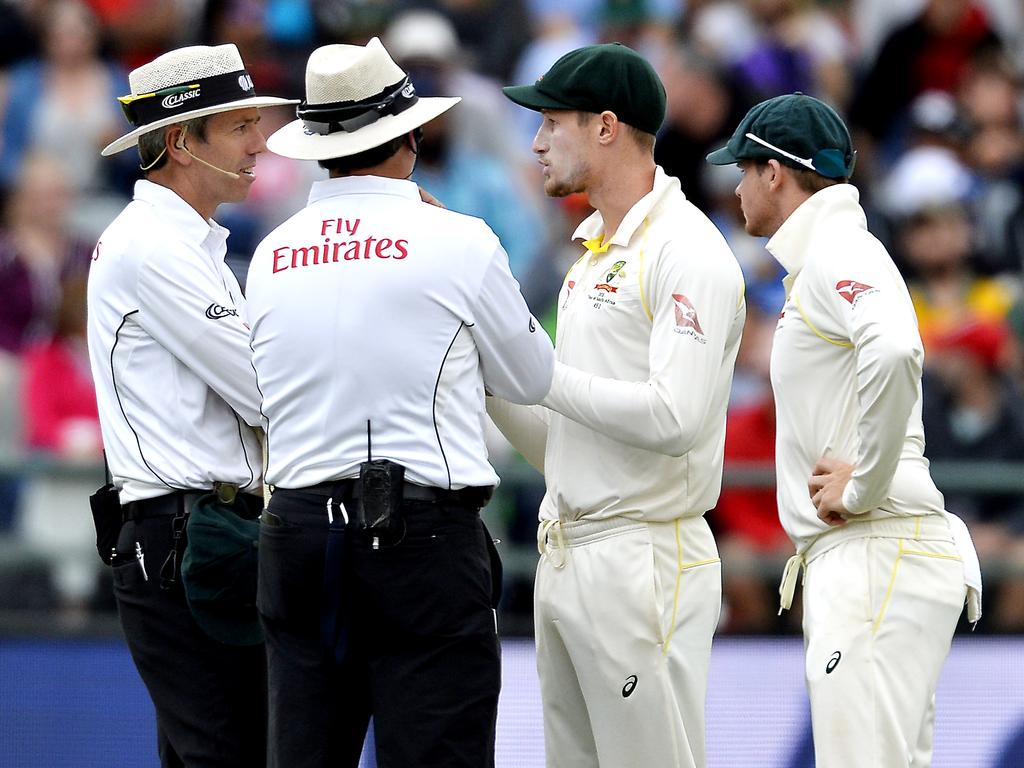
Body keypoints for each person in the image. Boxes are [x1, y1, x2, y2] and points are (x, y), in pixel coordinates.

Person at [245, 39, 554, 768]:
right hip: (419, 536)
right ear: (411, 136)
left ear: (320, 144)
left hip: (295, 529)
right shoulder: (459, 239)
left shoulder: (270, 252)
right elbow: (532, 378)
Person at [706, 92, 982, 768]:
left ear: (776, 172)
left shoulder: (837, 251)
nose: (736, 186)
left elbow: (895, 350)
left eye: (743, 169)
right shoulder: (828, 257)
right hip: (876, 553)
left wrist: (863, 486)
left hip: (874, 545)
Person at [492, 43, 746, 767]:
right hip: (567, 550)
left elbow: (675, 420)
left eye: (550, 122)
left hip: (645, 558)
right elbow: (564, 446)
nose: (535, 142)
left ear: (606, 127)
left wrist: (533, 370)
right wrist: (490, 372)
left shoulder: (686, 249)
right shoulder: (595, 252)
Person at [87, 43, 295, 767]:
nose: (259, 141)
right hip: (184, 541)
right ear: (180, 141)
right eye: (239, 125)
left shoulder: (180, 243)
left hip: (194, 537)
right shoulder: (155, 247)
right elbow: (267, 391)